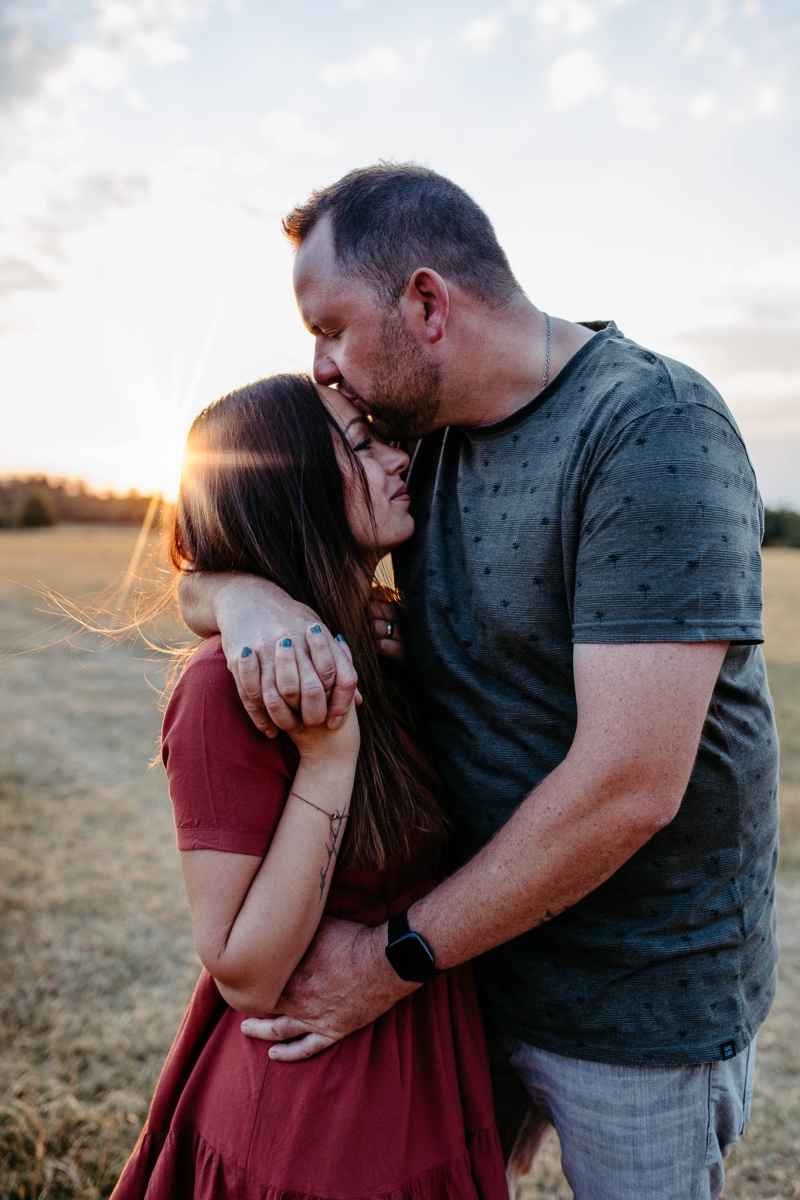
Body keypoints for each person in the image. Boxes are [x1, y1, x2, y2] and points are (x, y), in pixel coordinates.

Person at [180, 164, 780, 1200]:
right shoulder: (423, 441)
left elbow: (628, 784)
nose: (319, 369)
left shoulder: (647, 428)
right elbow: (263, 533)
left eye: (329, 328)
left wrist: (388, 961)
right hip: (468, 980)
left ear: (424, 303)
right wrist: (240, 599)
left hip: (628, 1003)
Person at [112, 374, 509, 1199]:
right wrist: (329, 762)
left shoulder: (380, 638)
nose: (402, 459)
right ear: (297, 490)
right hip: (317, 1119)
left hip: (432, 1070)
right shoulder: (230, 690)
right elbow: (245, 973)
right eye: (364, 445)